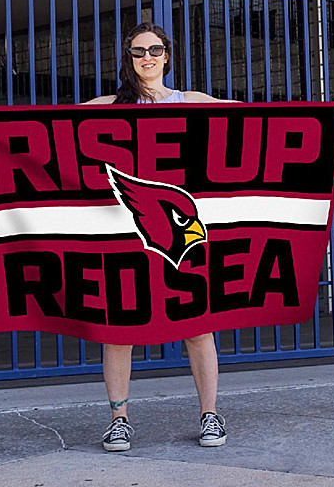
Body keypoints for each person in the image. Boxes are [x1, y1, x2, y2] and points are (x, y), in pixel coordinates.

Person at [85, 22, 230, 453]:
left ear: (167, 55)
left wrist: (318, 115)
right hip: (128, 231)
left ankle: (210, 415)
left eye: (155, 49)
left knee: (198, 325)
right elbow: (51, 124)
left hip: (181, 232)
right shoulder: (110, 105)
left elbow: (252, 117)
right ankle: (119, 420)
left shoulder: (193, 102)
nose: (147, 57)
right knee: (119, 327)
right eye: (137, 51)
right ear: (127, 59)